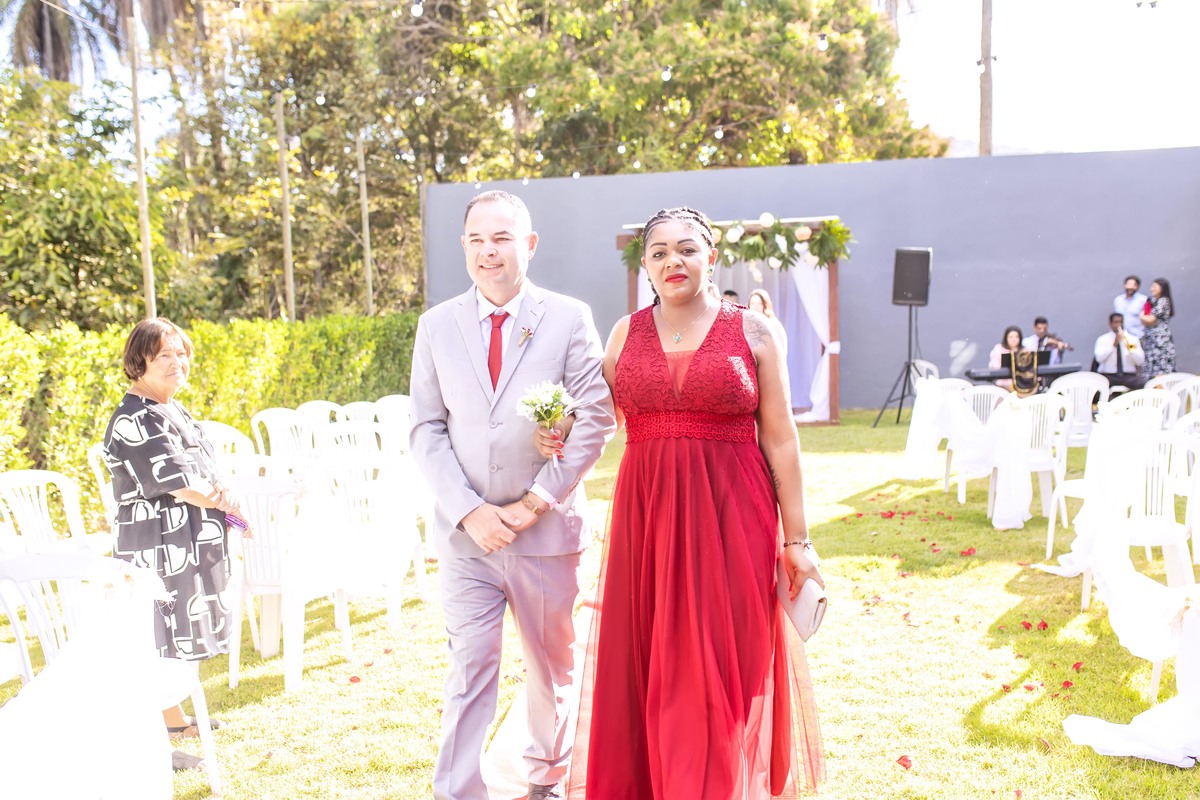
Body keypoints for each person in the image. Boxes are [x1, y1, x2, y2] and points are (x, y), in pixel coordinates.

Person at [555, 207, 825, 798]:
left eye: (686, 249)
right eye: (658, 252)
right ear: (645, 266)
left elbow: (781, 438)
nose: (672, 261)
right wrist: (558, 425)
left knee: (724, 664)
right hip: (647, 517)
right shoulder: (625, 333)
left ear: (711, 257)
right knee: (655, 661)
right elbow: (597, 413)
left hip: (733, 516)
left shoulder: (754, 332)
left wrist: (798, 540)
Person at [409, 190, 614, 800]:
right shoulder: (436, 325)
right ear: (464, 246)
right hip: (467, 539)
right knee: (469, 667)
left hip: (545, 535)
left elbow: (595, 416)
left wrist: (535, 502)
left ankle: (545, 781)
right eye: (476, 239)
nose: (487, 251)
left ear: (529, 244)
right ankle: (457, 792)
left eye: (501, 238)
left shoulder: (568, 318)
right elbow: (425, 427)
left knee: (550, 669)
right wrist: (469, 511)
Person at [101, 317, 247, 769]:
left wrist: (227, 497)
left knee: (175, 636)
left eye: (181, 353)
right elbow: (179, 483)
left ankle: (175, 721)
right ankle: (154, 747)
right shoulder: (133, 418)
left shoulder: (171, 408)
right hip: (158, 549)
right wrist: (231, 507)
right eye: (164, 354)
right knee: (156, 640)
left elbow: (206, 469)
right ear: (139, 361)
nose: (176, 362)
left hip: (185, 545)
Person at [1093, 312, 1145, 391]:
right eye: (1116, 322)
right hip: (1109, 375)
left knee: (1141, 384)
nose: (1119, 325)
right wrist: (1113, 345)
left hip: (1128, 375)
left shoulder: (1132, 339)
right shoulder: (1103, 339)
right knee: (1098, 387)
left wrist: (1130, 347)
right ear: (1110, 323)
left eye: (1121, 322)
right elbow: (1099, 358)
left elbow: (1140, 361)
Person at [1140, 277, 1177, 380]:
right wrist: (1144, 317)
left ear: (1162, 288)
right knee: (1150, 364)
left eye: (1154, 286)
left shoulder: (1163, 301)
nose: (1152, 289)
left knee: (1161, 364)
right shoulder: (1150, 300)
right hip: (1150, 338)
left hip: (1160, 338)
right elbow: (1145, 320)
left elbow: (1150, 319)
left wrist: (1141, 316)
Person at [988, 325, 1025, 391]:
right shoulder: (999, 349)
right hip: (1002, 385)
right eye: (1011, 337)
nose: (1014, 339)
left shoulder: (1025, 351)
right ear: (1006, 338)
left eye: (1017, 337)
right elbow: (995, 366)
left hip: (1021, 385)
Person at [1114, 275, 1149, 340]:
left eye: (1134, 285)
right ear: (1125, 285)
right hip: (1122, 336)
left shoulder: (1145, 300)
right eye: (1129, 284)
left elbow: (1148, 318)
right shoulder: (1118, 300)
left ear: (1138, 286)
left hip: (1138, 336)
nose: (1131, 287)